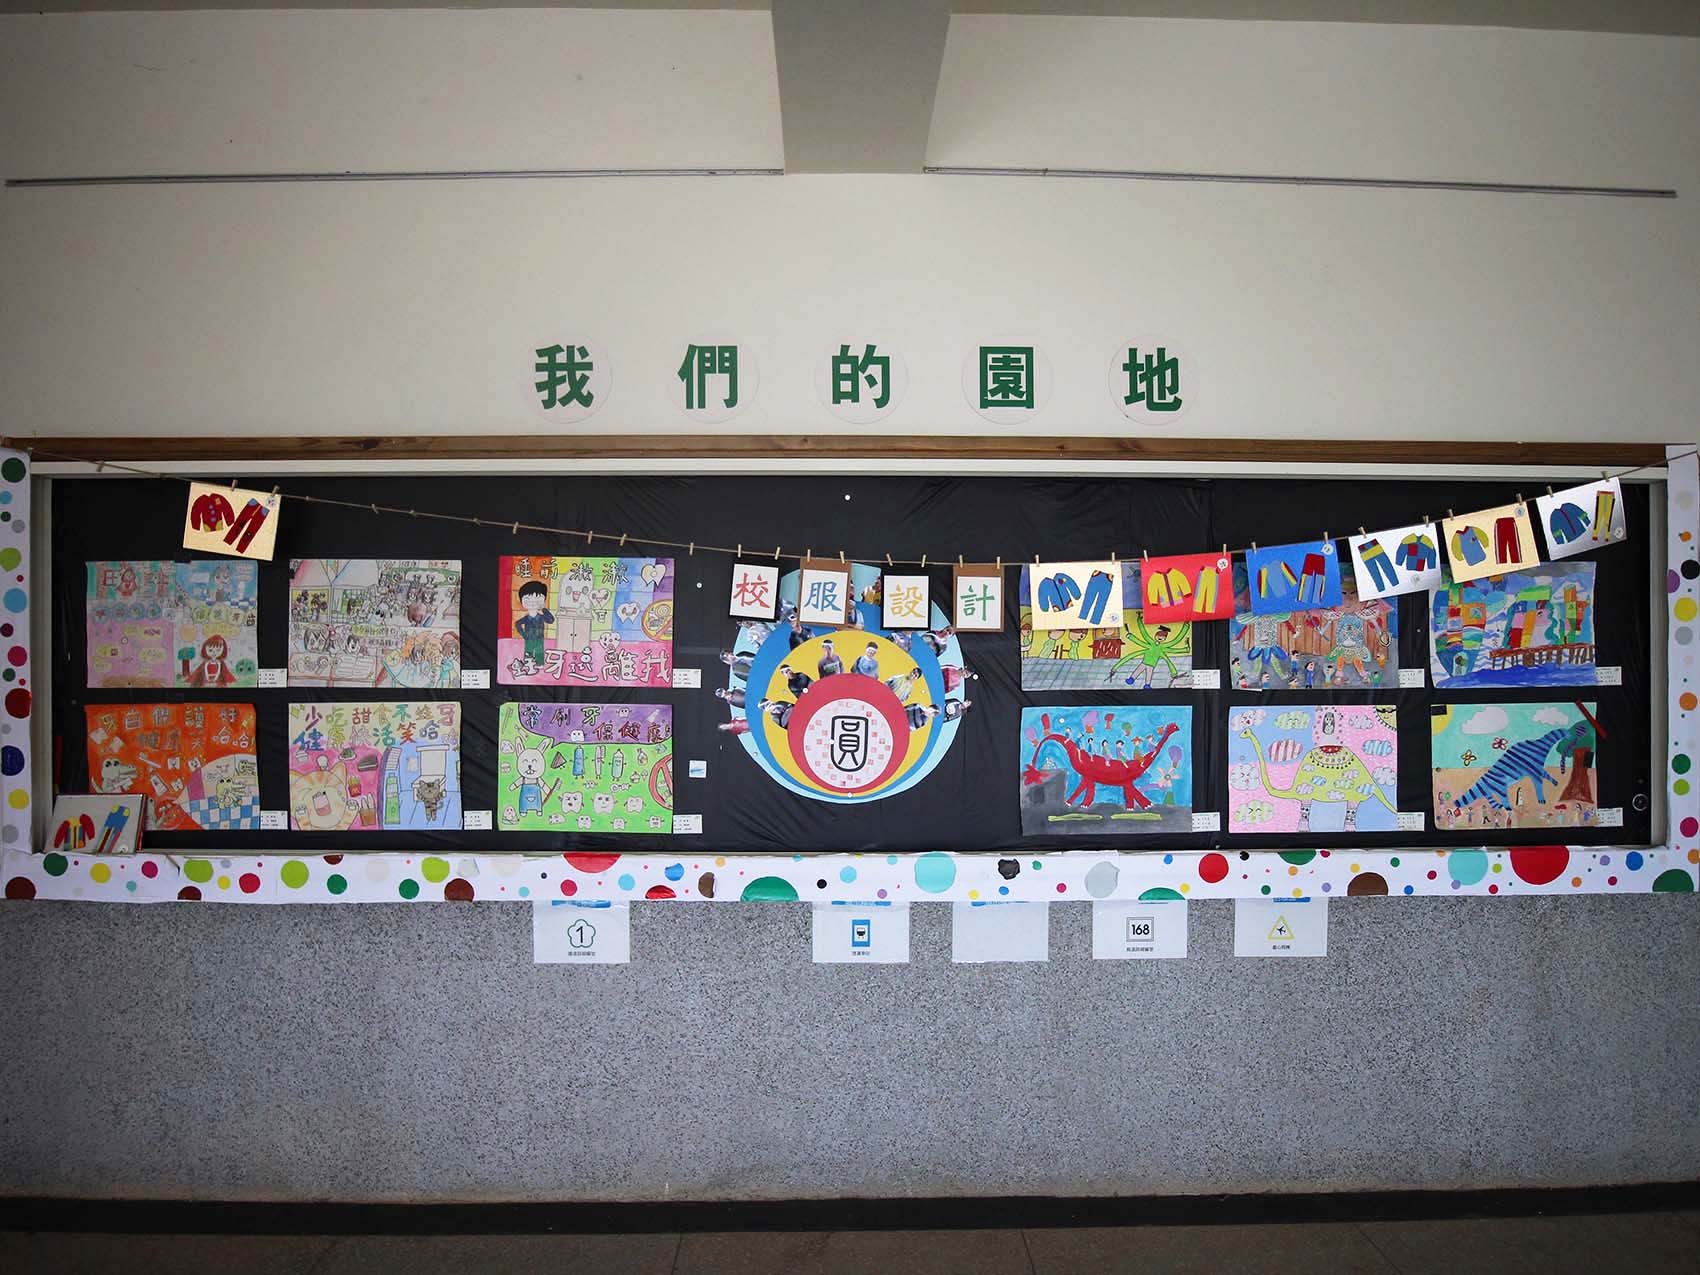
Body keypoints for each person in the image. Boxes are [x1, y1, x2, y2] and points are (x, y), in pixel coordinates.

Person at [514, 580, 553, 665]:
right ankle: (528, 663)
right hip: (529, 639)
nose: (532, 603)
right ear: (522, 601)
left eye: (537, 599)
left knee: (539, 652)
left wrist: (545, 610)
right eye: (527, 599)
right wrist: (524, 635)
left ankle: (539, 663)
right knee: (529, 651)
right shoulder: (526, 618)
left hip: (539, 638)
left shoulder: (541, 617)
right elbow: (518, 624)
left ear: (543, 600)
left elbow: (550, 620)